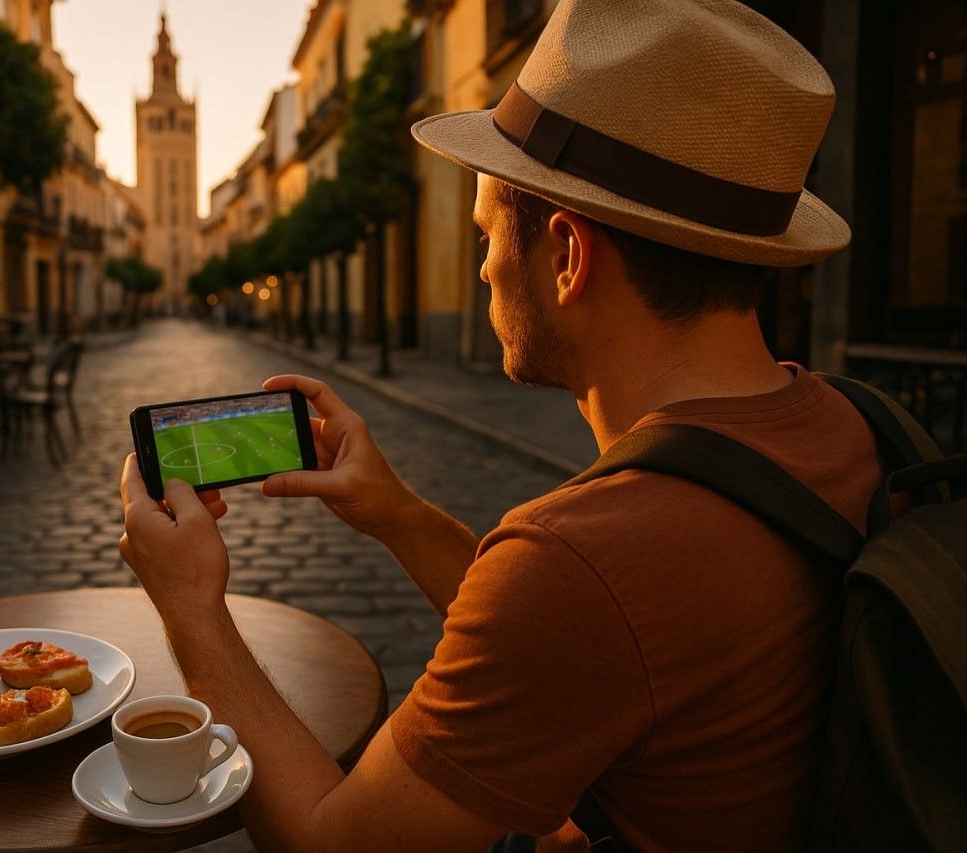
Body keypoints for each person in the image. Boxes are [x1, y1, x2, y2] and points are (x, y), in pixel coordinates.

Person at [119, 0, 882, 849]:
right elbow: (590, 650)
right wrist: (400, 515)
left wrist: (191, 607)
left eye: (485, 235)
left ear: (565, 256)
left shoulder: (586, 561)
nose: (481, 266)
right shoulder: (859, 423)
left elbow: (328, 842)